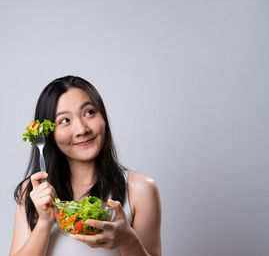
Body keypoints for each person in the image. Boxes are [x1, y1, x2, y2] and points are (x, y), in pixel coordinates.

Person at [10, 76, 162, 256]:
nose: (82, 129)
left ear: (104, 117)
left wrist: (128, 240)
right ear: (48, 134)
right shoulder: (32, 191)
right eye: (64, 121)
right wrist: (44, 222)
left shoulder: (141, 189)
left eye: (89, 112)